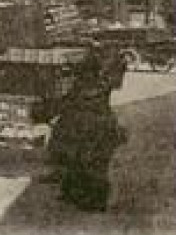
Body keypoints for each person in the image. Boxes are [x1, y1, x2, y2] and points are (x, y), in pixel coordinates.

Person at [47, 61, 125, 212]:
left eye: (78, 74)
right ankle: (75, 194)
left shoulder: (85, 89)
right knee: (84, 163)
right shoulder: (99, 85)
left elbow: (66, 104)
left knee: (89, 166)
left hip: (94, 132)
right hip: (97, 130)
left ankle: (95, 201)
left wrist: (49, 113)